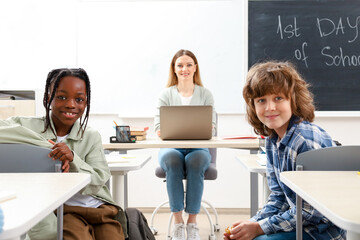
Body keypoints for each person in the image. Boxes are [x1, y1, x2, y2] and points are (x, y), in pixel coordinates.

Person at [224, 61, 346, 240]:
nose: (270, 107)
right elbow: (278, 198)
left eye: (278, 98)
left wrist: (259, 228)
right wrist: (250, 225)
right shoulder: (272, 140)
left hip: (322, 231)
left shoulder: (303, 140)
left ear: (293, 100)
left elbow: (311, 211)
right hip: (301, 224)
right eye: (261, 100)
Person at [3, 68, 127, 240]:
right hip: (63, 209)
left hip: (97, 208)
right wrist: (42, 145)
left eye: (79, 99)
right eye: (61, 97)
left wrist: (73, 159)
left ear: (86, 102)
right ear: (48, 98)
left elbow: (99, 179)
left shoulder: (90, 136)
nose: (71, 104)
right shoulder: (26, 125)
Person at [154, 49, 216, 240]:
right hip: (172, 148)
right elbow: (159, 127)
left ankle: (192, 223)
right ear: (174, 69)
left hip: (199, 148)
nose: (185, 69)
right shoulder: (165, 95)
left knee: (196, 160)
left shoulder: (206, 94)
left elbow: (211, 128)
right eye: (180, 65)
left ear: (195, 68)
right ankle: (178, 222)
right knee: (173, 159)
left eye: (189, 65)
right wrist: (165, 130)